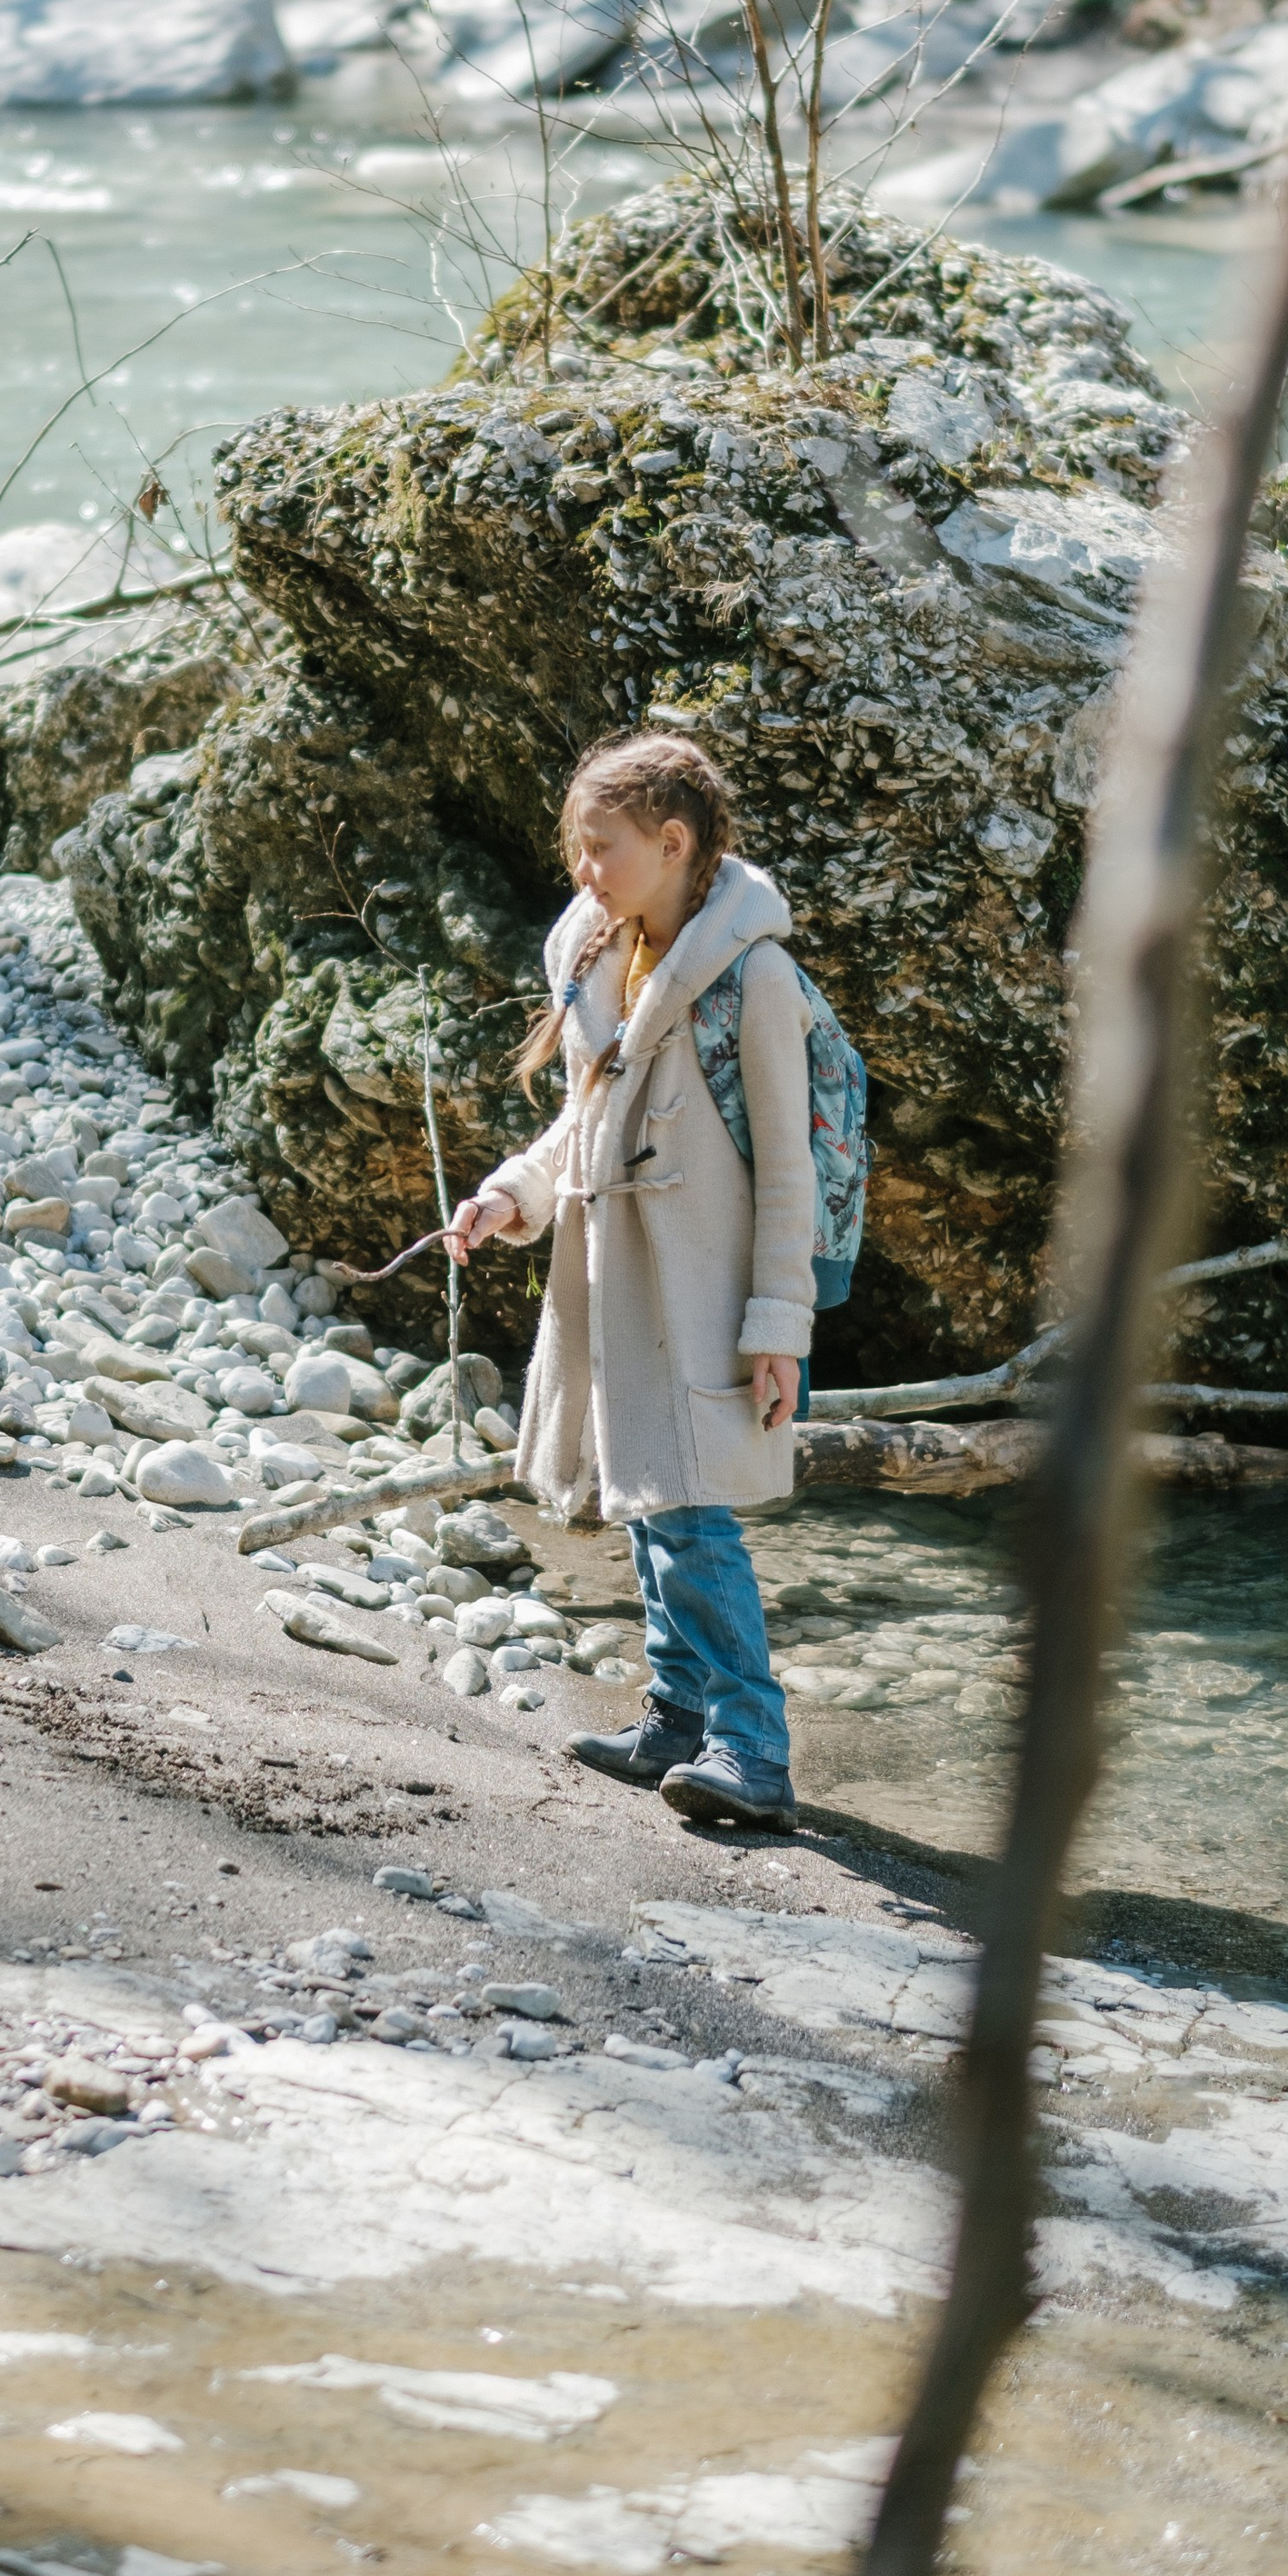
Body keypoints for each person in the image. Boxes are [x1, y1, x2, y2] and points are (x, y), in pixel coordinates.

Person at [444, 730, 814, 1834]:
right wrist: (511, 1194)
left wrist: (775, 1326)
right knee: (647, 1500)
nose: (583, 871)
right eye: (577, 848)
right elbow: (580, 1125)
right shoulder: (600, 957)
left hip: (705, 1289)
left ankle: (754, 1748)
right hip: (614, 1277)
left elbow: (789, 1168)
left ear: (671, 841)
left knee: (693, 1510)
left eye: (600, 848)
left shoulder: (754, 977)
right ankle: (677, 1713)